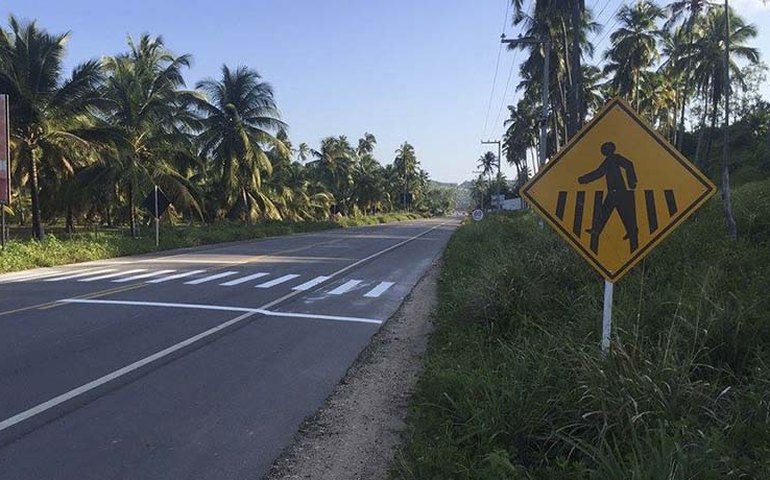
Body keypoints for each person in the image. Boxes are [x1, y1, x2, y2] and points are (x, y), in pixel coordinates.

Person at [578, 141, 639, 254]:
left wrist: (632, 181)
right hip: (614, 191)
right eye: (604, 149)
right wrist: (584, 179)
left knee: (616, 212)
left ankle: (630, 231)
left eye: (606, 149)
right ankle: (629, 231)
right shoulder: (607, 161)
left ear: (611, 149)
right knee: (610, 211)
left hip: (618, 191)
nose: (604, 151)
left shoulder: (615, 158)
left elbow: (629, 164)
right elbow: (599, 173)